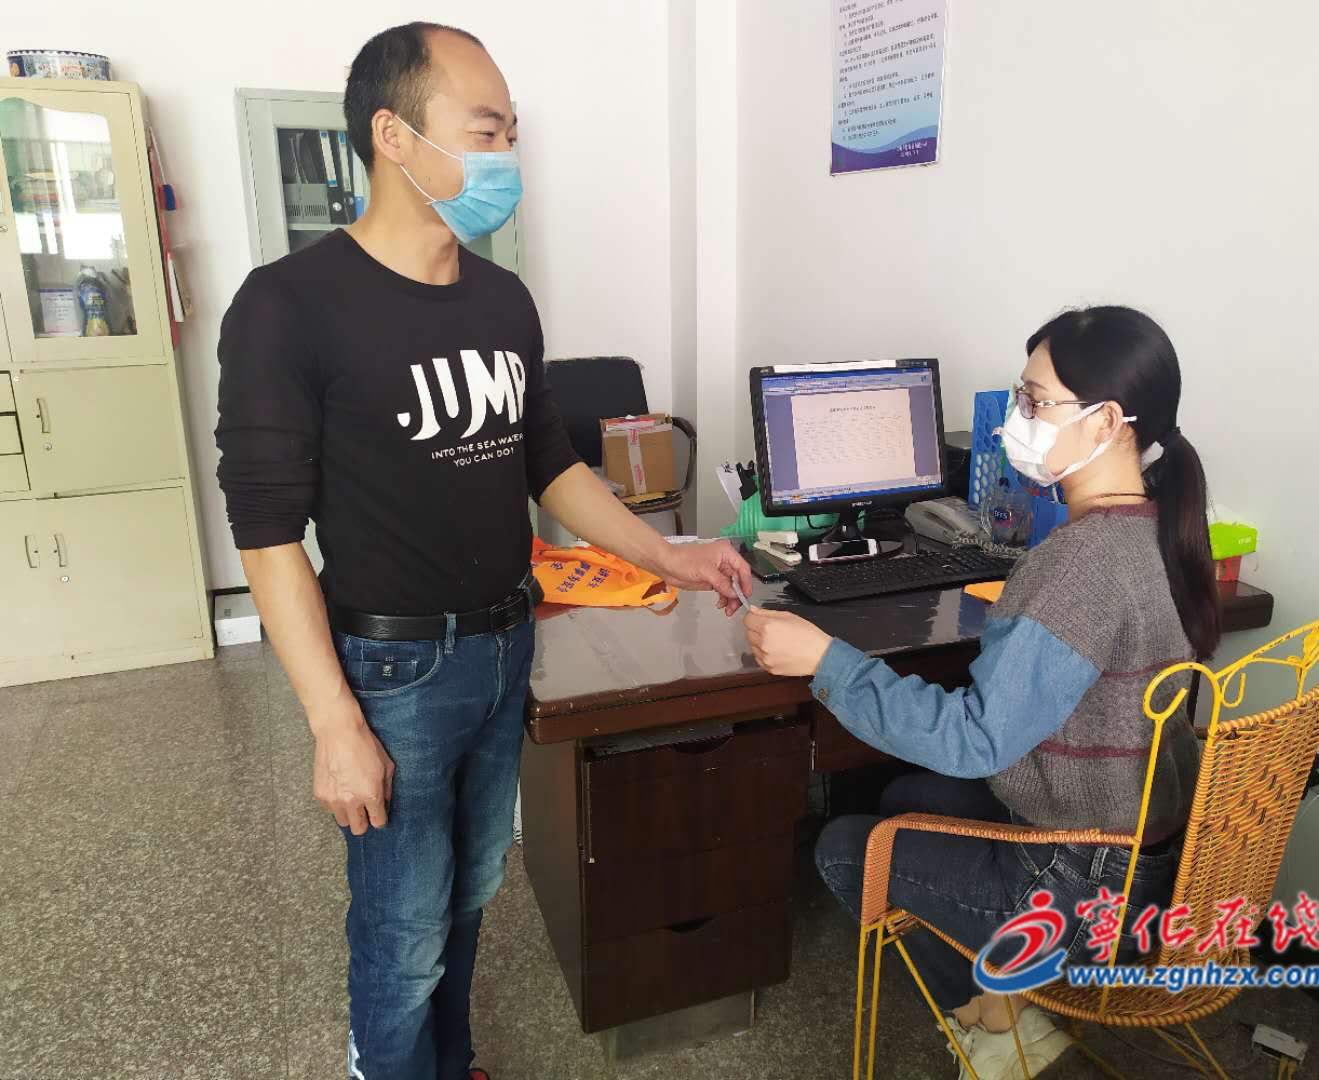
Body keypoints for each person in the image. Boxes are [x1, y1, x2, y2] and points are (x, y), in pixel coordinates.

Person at [214, 23, 751, 1080]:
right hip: (392, 668)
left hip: (507, 643)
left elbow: (551, 466)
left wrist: (666, 557)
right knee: (402, 926)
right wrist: (332, 723)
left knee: (469, 894)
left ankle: (448, 1062)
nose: (508, 155)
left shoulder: (502, 299)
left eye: (512, 134)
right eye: (486, 130)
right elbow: (267, 534)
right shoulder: (288, 306)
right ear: (393, 136)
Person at [744, 306, 1219, 1078]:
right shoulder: (1157, 530)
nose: (1013, 421)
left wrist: (826, 660)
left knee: (844, 847)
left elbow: (975, 740)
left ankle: (999, 1023)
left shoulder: (1081, 563)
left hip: (1080, 886)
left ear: (1106, 422)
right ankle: (1006, 997)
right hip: (1143, 852)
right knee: (904, 793)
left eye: (1035, 401)